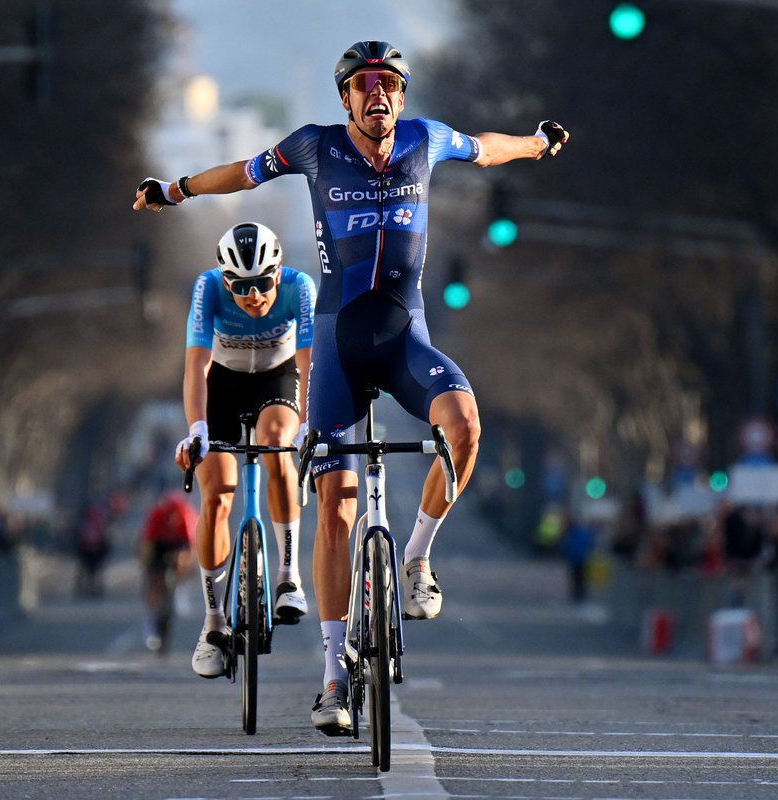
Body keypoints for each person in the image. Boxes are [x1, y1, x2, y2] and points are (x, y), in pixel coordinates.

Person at [135, 41, 568, 731]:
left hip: (403, 340)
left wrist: (536, 144)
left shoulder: (425, 141)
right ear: (345, 97)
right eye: (365, 84)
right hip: (337, 349)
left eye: (390, 84)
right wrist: (179, 188)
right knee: (335, 508)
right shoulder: (315, 147)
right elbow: (245, 176)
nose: (379, 95)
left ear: (401, 94)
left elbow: (486, 149)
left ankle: (419, 560)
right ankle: (334, 678)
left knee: (465, 427)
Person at [173, 221, 315, 679]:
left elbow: (310, 361)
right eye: (240, 286)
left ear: (277, 274)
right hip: (224, 385)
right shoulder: (206, 288)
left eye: (262, 283)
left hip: (278, 377)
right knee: (217, 491)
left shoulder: (300, 287)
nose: (253, 296)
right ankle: (213, 622)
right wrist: (196, 428)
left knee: (277, 442)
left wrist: (308, 425)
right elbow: (196, 366)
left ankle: (288, 575)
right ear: (225, 280)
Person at [138, 489, 197, 653]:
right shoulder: (157, 516)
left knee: (182, 560)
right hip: (159, 546)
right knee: (154, 582)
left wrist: (186, 570)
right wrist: (149, 569)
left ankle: (180, 591)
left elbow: (191, 547)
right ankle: (151, 622)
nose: (172, 519)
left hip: (179, 544)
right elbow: (147, 544)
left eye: (175, 516)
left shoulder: (186, 516)